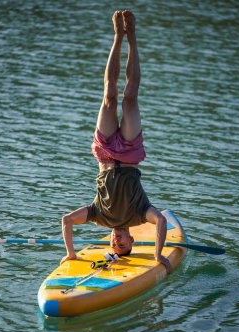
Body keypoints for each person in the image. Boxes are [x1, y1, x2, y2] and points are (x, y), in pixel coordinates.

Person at [61, 10, 171, 273]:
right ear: (132, 238)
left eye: (115, 245)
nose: (117, 241)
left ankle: (117, 37)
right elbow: (162, 222)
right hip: (131, 152)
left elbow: (66, 220)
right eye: (123, 244)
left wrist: (71, 254)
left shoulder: (100, 216)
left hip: (105, 154)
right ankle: (130, 36)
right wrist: (157, 255)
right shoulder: (139, 214)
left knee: (110, 95)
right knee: (130, 97)